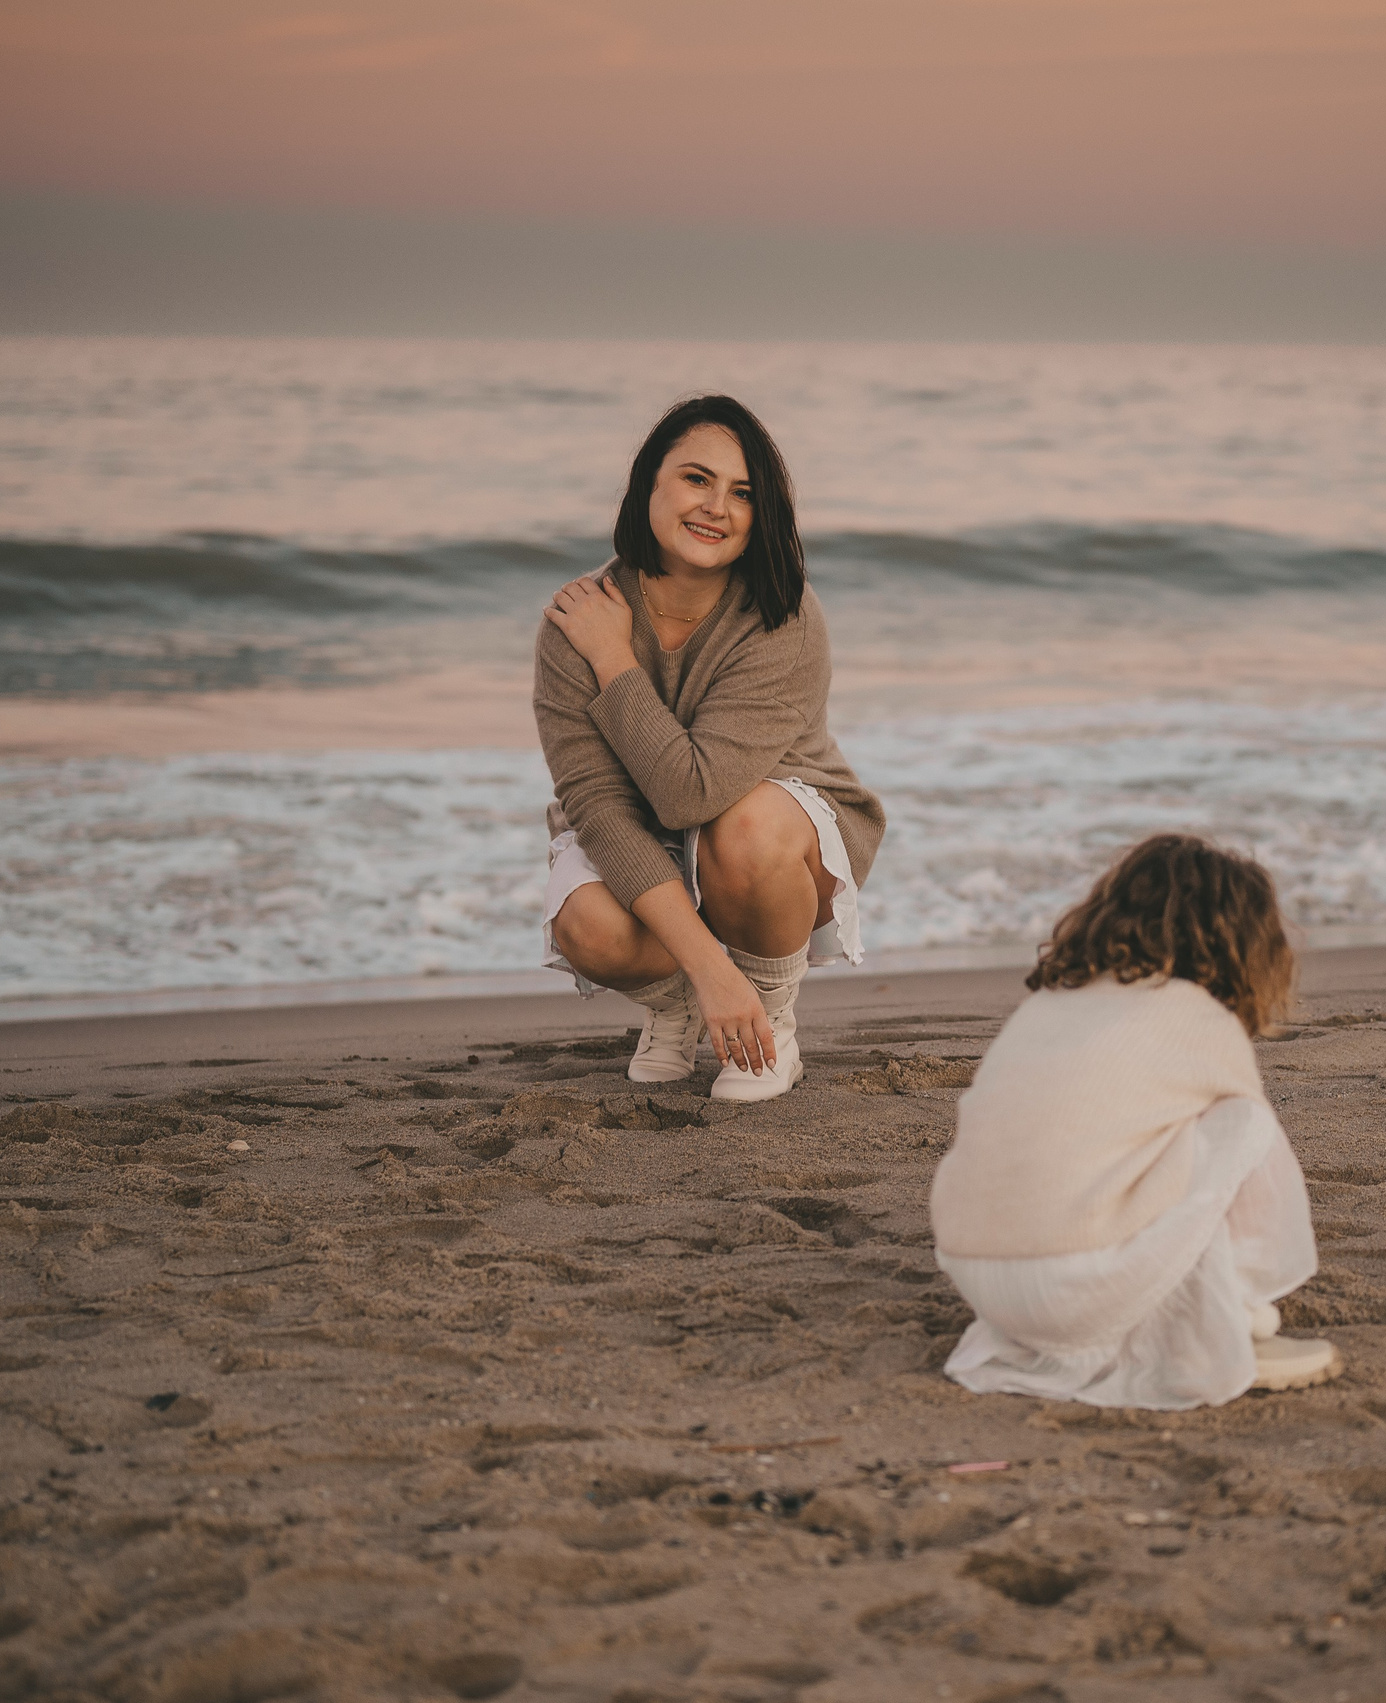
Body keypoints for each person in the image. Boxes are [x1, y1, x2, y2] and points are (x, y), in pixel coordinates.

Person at [534, 395, 884, 1102]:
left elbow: (690, 795)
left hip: (777, 836)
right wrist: (705, 971)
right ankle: (682, 1006)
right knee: (585, 924)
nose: (717, 507)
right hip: (649, 834)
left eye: (743, 493)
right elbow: (600, 808)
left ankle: (769, 1017)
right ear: (649, 484)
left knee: (742, 824)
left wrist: (615, 661)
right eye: (697, 478)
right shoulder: (579, 620)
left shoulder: (782, 614)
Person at [928, 834, 1336, 1408]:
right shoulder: (1203, 1019)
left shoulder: (1046, 1004)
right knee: (1244, 1120)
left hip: (979, 1283)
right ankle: (1238, 1314)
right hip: (1070, 1292)